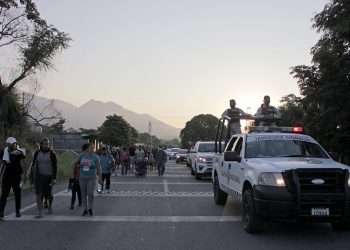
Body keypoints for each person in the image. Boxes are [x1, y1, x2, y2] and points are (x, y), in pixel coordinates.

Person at [31, 138, 58, 218]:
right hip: (39, 176)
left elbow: (55, 166)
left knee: (49, 194)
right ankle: (40, 212)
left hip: (49, 176)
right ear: (41, 144)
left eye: (48, 144)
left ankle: (49, 207)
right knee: (38, 194)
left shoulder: (52, 153)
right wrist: (32, 176)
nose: (47, 145)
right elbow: (33, 164)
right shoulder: (37, 152)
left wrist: (54, 178)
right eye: (45, 144)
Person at [0, 137, 26, 220]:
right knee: (4, 195)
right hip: (6, 176)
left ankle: (17, 211)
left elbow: (23, 162)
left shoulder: (19, 152)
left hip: (16, 176)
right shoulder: (3, 152)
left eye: (14, 144)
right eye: (10, 144)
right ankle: (1, 213)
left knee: (17, 194)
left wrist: (24, 176)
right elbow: (2, 164)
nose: (13, 145)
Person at [74, 143, 102, 216]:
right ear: (87, 148)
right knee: (83, 194)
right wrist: (80, 165)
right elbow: (75, 164)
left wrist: (100, 178)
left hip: (91, 177)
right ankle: (85, 209)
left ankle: (90, 208)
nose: (92, 149)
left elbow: (99, 168)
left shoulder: (96, 157)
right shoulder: (82, 155)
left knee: (90, 193)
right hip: (82, 177)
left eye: (93, 148)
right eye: (90, 148)